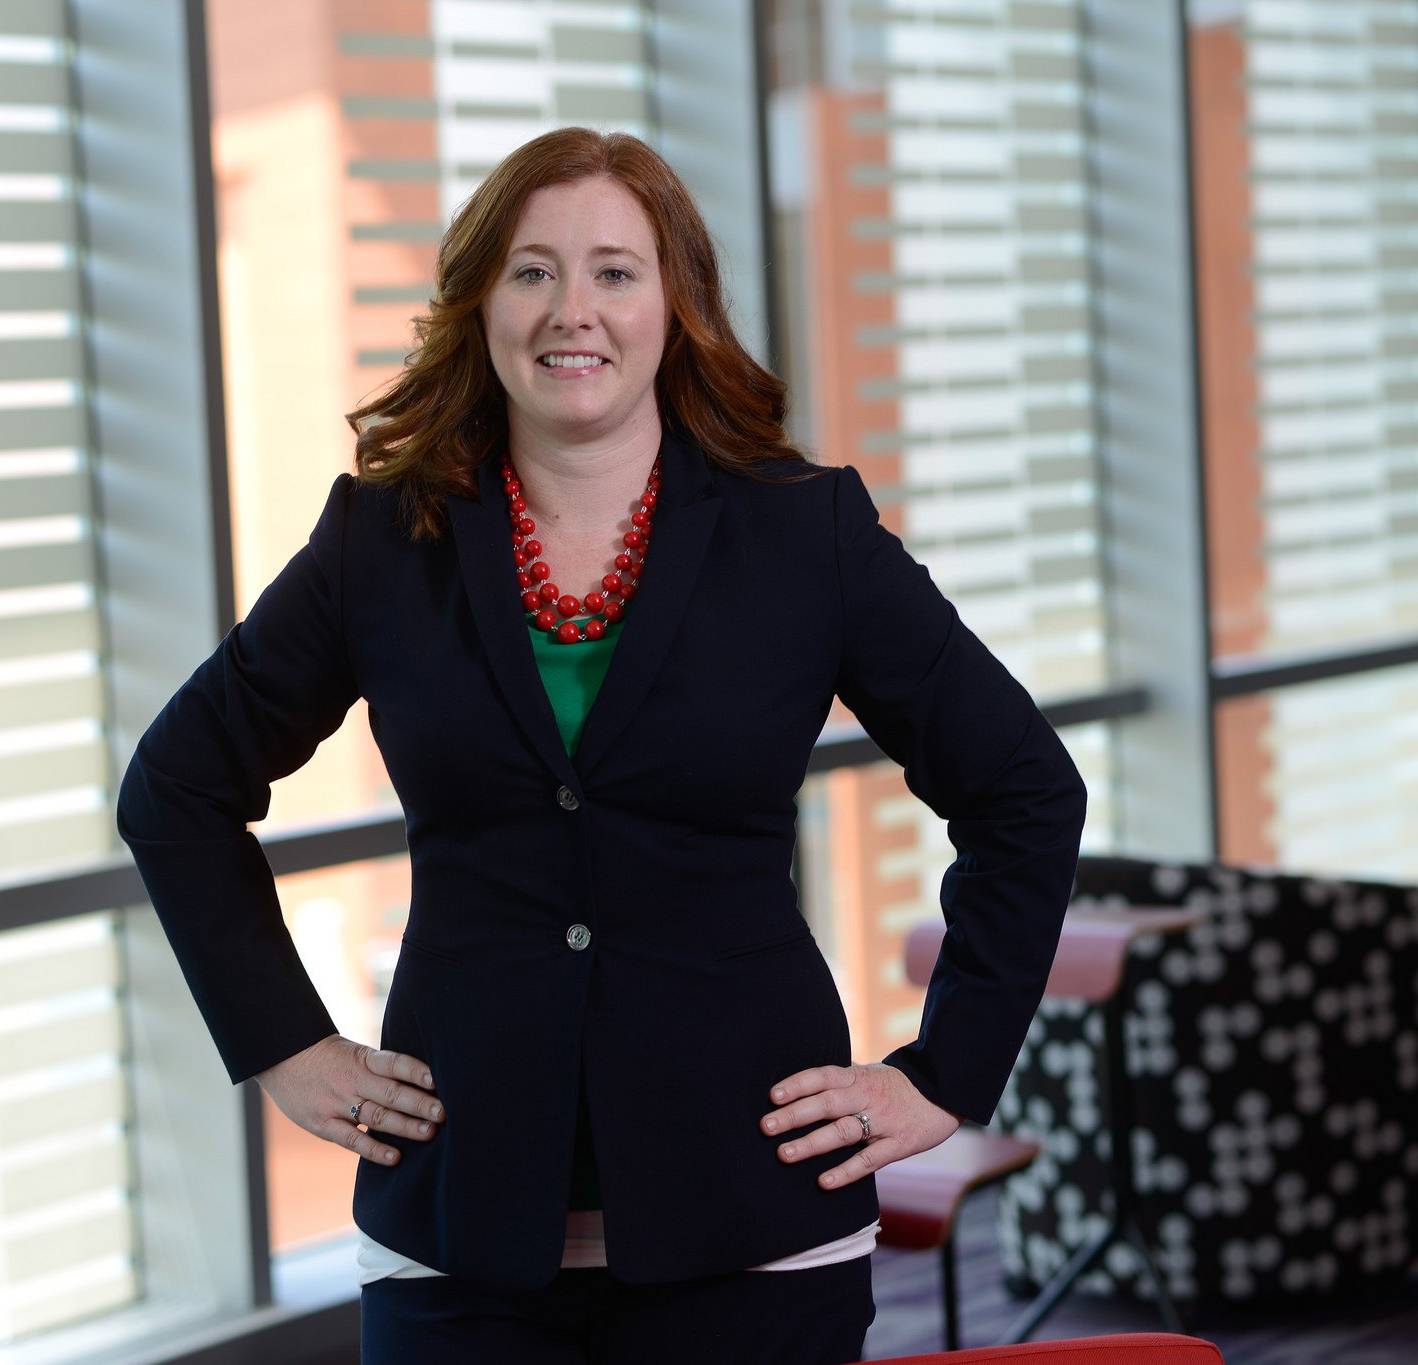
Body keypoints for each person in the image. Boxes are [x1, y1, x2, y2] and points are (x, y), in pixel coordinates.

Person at [116, 127, 1086, 1363]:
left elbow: (1023, 790)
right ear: (478, 305)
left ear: (674, 306)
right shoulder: (381, 541)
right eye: (530, 271)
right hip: (459, 1219)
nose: (570, 309)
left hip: (750, 1215)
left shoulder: (805, 536)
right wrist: (283, 1047)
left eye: (614, 272)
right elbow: (175, 789)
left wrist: (943, 1072)